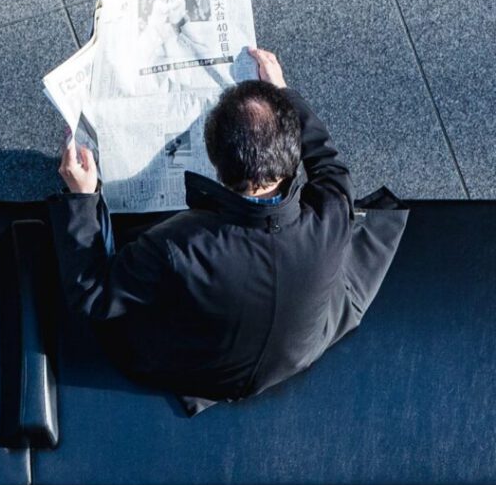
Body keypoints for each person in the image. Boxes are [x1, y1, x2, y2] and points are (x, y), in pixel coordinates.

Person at [49, 47, 409, 416]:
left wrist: (83, 197)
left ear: (218, 167)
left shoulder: (181, 244)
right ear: (292, 153)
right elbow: (329, 164)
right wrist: (283, 92)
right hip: (295, 352)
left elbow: (93, 295)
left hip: (190, 366)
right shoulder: (332, 215)